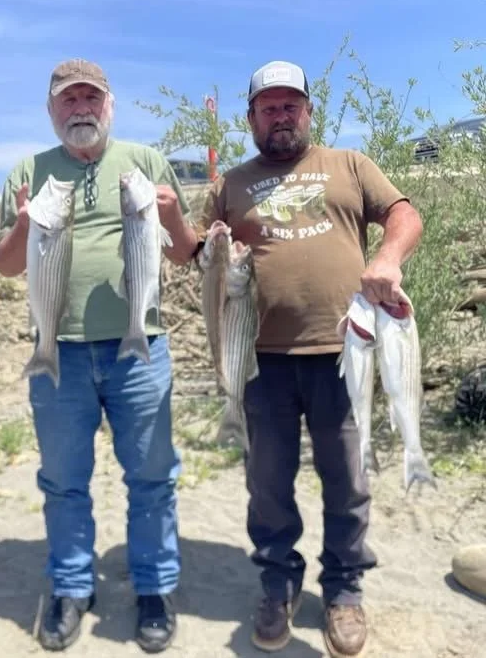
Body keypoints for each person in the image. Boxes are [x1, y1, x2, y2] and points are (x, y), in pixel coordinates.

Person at [195, 60, 423, 657]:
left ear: (308, 111)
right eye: (268, 107)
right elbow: (195, 250)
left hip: (345, 350)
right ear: (250, 118)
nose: (281, 115)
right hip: (259, 358)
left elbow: (405, 214)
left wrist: (389, 259)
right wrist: (195, 235)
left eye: (290, 105)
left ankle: (344, 590)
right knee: (267, 484)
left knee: (347, 479)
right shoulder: (233, 182)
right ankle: (278, 582)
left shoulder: (348, 165)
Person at [0, 58, 198, 653]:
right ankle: (71, 587)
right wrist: (23, 223)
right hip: (59, 354)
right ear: (51, 110)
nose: (81, 109)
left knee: (154, 478)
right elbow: (6, 266)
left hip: (141, 350)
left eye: (91, 98)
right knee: (63, 482)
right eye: (68, 100)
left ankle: (155, 588)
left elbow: (183, 254)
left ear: (110, 104)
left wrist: (172, 215)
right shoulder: (28, 173)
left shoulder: (148, 164)